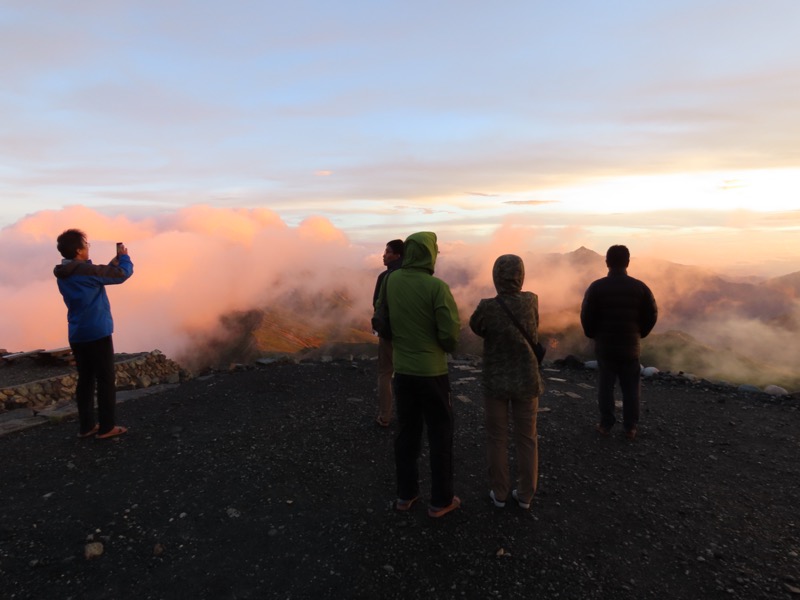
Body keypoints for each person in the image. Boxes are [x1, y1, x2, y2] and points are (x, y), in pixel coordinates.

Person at [386, 232, 461, 518]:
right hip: (433, 373)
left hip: (402, 370)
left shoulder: (392, 280)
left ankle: (405, 495)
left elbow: (383, 314)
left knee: (407, 433)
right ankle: (440, 501)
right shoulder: (437, 288)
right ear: (430, 254)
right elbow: (449, 335)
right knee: (440, 435)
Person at [469, 254, 543, 510]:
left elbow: (476, 327)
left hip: (496, 380)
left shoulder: (487, 306)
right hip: (527, 379)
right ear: (520, 275)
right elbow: (535, 325)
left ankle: (499, 493)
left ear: (496, 276)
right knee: (527, 438)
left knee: (497, 437)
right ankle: (525, 495)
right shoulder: (531, 300)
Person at [54, 230, 134, 439]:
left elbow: (96, 275)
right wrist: (124, 259)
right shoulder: (84, 271)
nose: (88, 247)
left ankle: (87, 426)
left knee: (86, 379)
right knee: (106, 378)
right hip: (97, 331)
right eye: (86, 244)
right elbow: (121, 275)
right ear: (79, 250)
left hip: (78, 332)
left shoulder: (64, 272)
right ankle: (107, 427)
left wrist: (111, 264)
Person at [580, 245, 658, 440]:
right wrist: (640, 333)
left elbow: (586, 314)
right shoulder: (640, 287)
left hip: (605, 346)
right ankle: (630, 428)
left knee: (606, 386)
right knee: (631, 388)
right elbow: (652, 314)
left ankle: (606, 425)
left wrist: (592, 334)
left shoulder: (597, 287)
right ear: (628, 262)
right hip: (630, 346)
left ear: (607, 262)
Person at [372, 239, 404, 427]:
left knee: (385, 373)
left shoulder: (385, 277)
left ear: (398, 255)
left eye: (388, 251)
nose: (384, 254)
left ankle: (385, 416)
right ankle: (410, 414)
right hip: (410, 333)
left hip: (389, 333)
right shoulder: (414, 276)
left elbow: (377, 304)